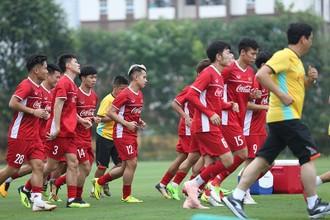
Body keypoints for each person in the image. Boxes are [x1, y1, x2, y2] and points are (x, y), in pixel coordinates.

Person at [222, 23, 330, 219]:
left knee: (262, 160)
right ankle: (314, 204)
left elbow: (296, 92)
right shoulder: (284, 55)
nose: (312, 42)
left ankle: (236, 197)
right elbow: (261, 74)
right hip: (286, 117)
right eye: (311, 38)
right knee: (308, 157)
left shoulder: (296, 61)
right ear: (303, 39)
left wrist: (309, 81)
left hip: (280, 118)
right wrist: (281, 94)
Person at [20, 53, 91, 208]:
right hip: (60, 133)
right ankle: (26, 188)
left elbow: (69, 109)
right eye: (75, 62)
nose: (78, 64)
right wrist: (57, 128)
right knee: (50, 166)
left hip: (70, 132)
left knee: (73, 163)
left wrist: (80, 120)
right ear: (68, 66)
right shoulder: (64, 83)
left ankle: (72, 199)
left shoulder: (71, 84)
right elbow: (57, 106)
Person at [182, 40, 238, 209]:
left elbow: (216, 101)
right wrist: (210, 113)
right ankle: (194, 184)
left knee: (211, 162)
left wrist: (229, 105)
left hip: (211, 125)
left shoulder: (219, 76)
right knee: (228, 160)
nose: (230, 55)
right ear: (218, 56)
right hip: (205, 125)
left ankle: (191, 200)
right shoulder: (208, 73)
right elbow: (191, 95)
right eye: (228, 52)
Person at [206, 37, 261, 204]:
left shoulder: (251, 72)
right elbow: (215, 87)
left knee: (221, 157)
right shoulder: (229, 69)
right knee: (242, 153)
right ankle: (213, 184)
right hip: (226, 117)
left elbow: (244, 94)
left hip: (240, 118)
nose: (254, 57)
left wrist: (252, 95)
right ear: (242, 52)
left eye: (256, 54)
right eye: (252, 53)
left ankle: (201, 187)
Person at [0, 54, 57, 211]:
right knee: (12, 169)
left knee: (39, 165)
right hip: (20, 135)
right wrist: (33, 112)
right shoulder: (26, 85)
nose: (47, 71)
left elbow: (37, 111)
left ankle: (37, 201)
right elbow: (13, 103)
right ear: (36, 69)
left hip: (33, 136)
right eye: (45, 68)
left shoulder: (38, 88)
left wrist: (42, 114)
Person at [155, 59, 211, 200]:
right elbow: (175, 104)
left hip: (196, 127)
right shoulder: (191, 88)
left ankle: (165, 184)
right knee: (194, 157)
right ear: (200, 73)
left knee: (187, 158)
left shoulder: (206, 89)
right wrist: (186, 117)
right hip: (189, 128)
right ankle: (188, 187)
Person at [92, 64, 147, 203]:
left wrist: (139, 121)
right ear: (135, 77)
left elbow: (131, 114)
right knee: (132, 164)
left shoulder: (139, 94)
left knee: (124, 167)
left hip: (132, 133)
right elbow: (110, 112)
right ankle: (126, 196)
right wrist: (126, 124)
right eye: (144, 77)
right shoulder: (124, 94)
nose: (146, 80)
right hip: (122, 133)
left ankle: (99, 182)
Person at [241, 51, 272, 204]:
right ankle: (243, 192)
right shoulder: (255, 80)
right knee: (251, 161)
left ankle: (243, 184)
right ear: (263, 65)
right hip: (251, 128)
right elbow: (245, 105)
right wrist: (265, 107)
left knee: (270, 163)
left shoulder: (267, 82)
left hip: (261, 129)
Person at [90, 75, 129, 198]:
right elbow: (101, 118)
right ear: (115, 87)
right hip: (104, 136)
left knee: (121, 165)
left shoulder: (123, 99)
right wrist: (115, 116)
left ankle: (104, 181)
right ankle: (94, 189)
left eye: (125, 89)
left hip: (117, 137)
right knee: (102, 166)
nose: (123, 92)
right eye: (122, 89)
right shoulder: (108, 100)